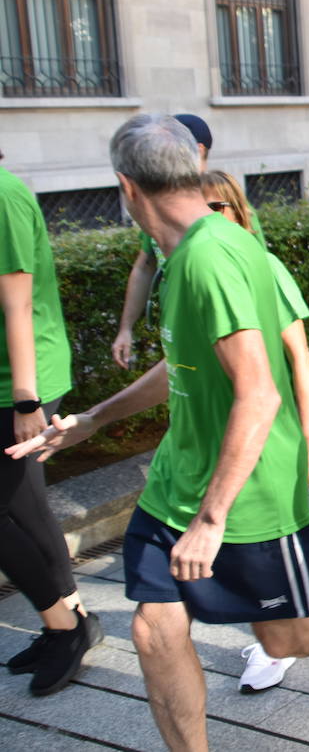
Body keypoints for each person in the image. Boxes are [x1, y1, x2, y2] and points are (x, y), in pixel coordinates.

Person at [12, 115, 309, 750]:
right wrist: (96, 420)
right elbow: (181, 362)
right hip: (175, 485)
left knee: (285, 637)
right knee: (153, 630)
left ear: (126, 187)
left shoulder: (213, 257)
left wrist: (212, 518)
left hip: (248, 494)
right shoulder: (181, 254)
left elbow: (258, 395)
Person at [200, 170, 309, 691]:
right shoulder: (192, 265)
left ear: (237, 211)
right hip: (216, 438)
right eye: (201, 208)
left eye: (219, 207)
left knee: (267, 555)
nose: (209, 219)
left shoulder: (263, 265)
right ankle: (273, 635)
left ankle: (293, 644)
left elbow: (299, 356)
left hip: (270, 439)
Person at [0, 154, 103, 696]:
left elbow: (17, 306)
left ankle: (66, 629)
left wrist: (25, 402)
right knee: (27, 509)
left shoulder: (2, 195)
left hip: (19, 385)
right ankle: (69, 619)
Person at [111, 114, 257, 370]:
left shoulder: (209, 249)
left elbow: (256, 391)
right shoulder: (157, 217)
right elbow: (144, 266)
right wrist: (125, 328)